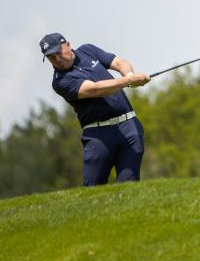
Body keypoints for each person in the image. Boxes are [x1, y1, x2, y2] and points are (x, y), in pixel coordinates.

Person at [39, 33, 151, 186]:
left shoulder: (88, 50)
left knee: (129, 185)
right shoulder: (60, 81)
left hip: (129, 126)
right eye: (51, 57)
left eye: (58, 52)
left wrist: (129, 75)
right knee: (93, 189)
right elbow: (96, 89)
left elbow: (119, 63)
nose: (57, 59)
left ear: (68, 45)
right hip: (98, 136)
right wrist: (128, 80)